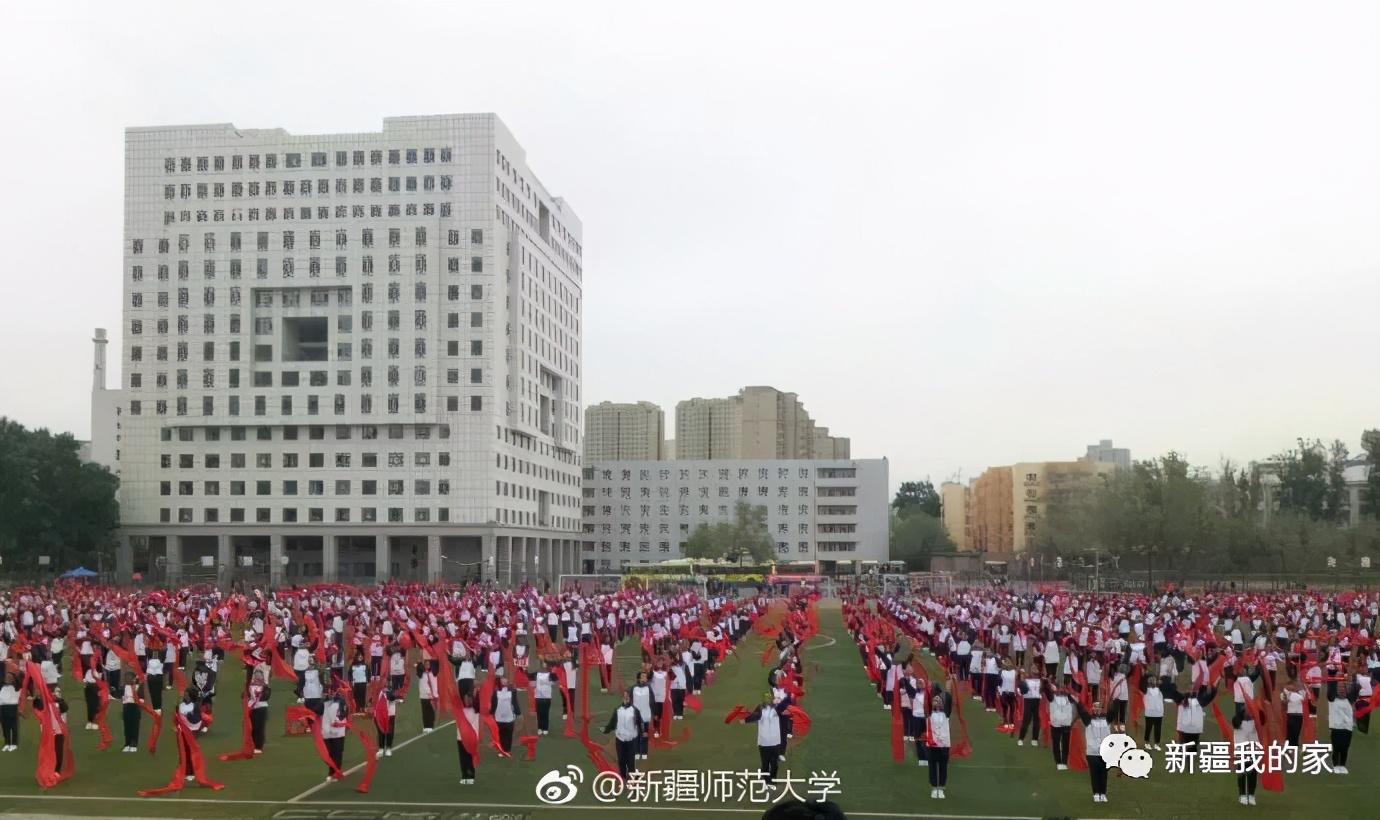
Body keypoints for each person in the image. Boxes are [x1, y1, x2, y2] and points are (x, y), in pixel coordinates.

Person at [602, 689, 644, 781]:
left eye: (628, 697)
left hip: (631, 739)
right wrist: (605, 730)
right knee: (621, 759)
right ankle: (623, 777)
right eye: (625, 696)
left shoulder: (634, 710)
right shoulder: (618, 710)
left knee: (630, 760)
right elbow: (612, 723)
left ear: (630, 699)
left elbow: (639, 724)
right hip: (620, 739)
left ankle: (632, 777)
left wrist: (640, 739)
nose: (626, 698)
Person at [1075, 699, 1112, 803]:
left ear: (1101, 709)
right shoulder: (1089, 720)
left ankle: (1103, 793)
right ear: (1092, 709)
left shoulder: (1106, 719)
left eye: (1099, 707)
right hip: (1092, 752)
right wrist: (1078, 702)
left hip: (1105, 752)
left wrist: (1112, 700)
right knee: (1094, 774)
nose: (1097, 709)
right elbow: (1082, 712)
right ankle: (1096, 793)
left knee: (1104, 774)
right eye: (1095, 707)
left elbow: (1113, 711)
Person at [1167, 680, 1218, 751]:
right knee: (1191, 749)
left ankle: (1180, 750)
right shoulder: (1198, 701)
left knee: (1187, 748)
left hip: (1185, 729)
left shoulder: (1181, 699)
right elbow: (1211, 695)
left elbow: (1171, 691)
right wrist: (1215, 686)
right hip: (1194, 730)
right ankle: (1183, 751)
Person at [743, 694, 783, 784]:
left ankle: (768, 780)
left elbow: (753, 716)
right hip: (773, 742)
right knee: (773, 764)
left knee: (766, 764)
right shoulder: (776, 709)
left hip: (765, 743)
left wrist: (744, 720)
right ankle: (771, 780)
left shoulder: (761, 709)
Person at [1326, 670, 1359, 774]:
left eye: (1342, 687)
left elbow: (1356, 687)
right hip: (1336, 728)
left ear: (1346, 689)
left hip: (1347, 728)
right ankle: (1336, 765)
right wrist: (1333, 676)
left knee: (1345, 748)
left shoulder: (1349, 699)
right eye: (1339, 687)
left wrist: (1352, 675)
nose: (1341, 689)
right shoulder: (1332, 699)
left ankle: (1343, 765)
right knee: (1336, 748)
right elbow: (1330, 687)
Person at [927, 680, 953, 799]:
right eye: (934, 701)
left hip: (944, 745)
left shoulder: (946, 714)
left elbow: (948, 697)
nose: (936, 703)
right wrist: (931, 688)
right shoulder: (929, 714)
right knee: (932, 768)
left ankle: (941, 788)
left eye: (939, 701)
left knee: (943, 768)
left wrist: (944, 687)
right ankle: (934, 788)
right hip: (932, 745)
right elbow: (927, 699)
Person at [1044, 676, 1075, 770]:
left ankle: (1064, 762)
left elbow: (1074, 697)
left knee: (1066, 744)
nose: (1061, 690)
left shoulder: (1069, 698)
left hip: (1066, 724)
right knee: (1056, 744)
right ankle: (1058, 762)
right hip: (1056, 724)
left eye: (1062, 688)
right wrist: (1045, 681)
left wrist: (1068, 691)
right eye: (1059, 688)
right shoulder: (1052, 698)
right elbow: (1047, 691)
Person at [1233, 711, 1259, 805]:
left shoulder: (1253, 722)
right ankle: (1243, 795)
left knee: (1252, 775)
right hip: (1242, 752)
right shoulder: (1239, 723)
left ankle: (1251, 795)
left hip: (1253, 751)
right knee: (1242, 775)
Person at [321, 689, 348, 781]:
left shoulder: (341, 702)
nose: (331, 693)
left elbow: (343, 715)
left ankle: (336, 771)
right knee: (330, 753)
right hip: (327, 731)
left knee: (337, 752)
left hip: (338, 732)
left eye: (332, 692)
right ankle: (331, 771)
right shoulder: (323, 703)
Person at [177, 688, 203, 781]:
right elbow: (176, 717)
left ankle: (191, 772)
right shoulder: (180, 705)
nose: (185, 696)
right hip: (181, 732)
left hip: (191, 733)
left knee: (190, 752)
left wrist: (187, 716)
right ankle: (184, 771)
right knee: (182, 752)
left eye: (187, 695)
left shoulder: (195, 707)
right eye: (185, 694)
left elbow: (197, 721)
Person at [491, 676, 520, 755]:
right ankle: (502, 750)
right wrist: (490, 712)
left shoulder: (513, 692)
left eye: (505, 681)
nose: (504, 683)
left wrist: (518, 712)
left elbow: (515, 703)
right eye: (502, 681)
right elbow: (494, 704)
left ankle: (507, 750)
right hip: (499, 717)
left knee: (508, 734)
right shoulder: (495, 692)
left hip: (509, 717)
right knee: (500, 734)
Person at [1140, 671, 1166, 750]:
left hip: (1158, 713)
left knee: (1158, 729)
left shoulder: (1159, 692)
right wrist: (1146, 674)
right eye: (1152, 681)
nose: (1153, 683)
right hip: (1149, 713)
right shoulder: (1146, 692)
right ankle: (1147, 742)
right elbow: (1141, 684)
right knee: (1148, 728)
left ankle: (1156, 743)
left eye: (1154, 681)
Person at [457, 692, 480, 784]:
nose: (467, 700)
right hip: (460, 737)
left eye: (469, 698)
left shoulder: (476, 711)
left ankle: (471, 776)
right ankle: (464, 775)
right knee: (462, 757)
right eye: (465, 698)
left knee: (470, 756)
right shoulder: (460, 710)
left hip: (471, 738)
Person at [630, 671, 653, 760]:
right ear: (638, 678)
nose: (644, 678)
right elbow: (630, 700)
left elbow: (652, 701)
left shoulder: (648, 688)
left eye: (645, 677)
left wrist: (654, 713)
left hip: (646, 714)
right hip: (635, 716)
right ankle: (636, 752)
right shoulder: (633, 688)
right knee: (636, 734)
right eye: (642, 676)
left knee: (644, 734)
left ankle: (644, 752)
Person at [248, 668, 271, 754]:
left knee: (259, 727)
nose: (257, 678)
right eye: (256, 676)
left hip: (262, 708)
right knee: (254, 728)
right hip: (253, 709)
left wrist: (263, 690)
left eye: (259, 676)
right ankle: (254, 744)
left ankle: (259, 746)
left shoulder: (265, 686)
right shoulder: (250, 686)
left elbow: (266, 697)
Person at [1017, 669, 1042, 747]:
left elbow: (1043, 690)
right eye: (1033, 673)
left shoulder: (1040, 681)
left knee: (1036, 720)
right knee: (1026, 719)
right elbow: (1020, 691)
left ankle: (1035, 739)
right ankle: (1021, 738)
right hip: (1028, 700)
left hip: (1037, 700)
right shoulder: (1025, 681)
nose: (1034, 675)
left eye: (1036, 673)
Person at [1280, 677, 1307, 746]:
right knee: (1291, 731)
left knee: (1297, 731)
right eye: (1291, 685)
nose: (1292, 686)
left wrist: (1301, 682)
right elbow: (1283, 702)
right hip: (1291, 715)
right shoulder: (1285, 693)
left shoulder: (1300, 693)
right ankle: (1289, 746)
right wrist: (1287, 700)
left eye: (1293, 685)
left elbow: (1304, 689)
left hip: (1299, 715)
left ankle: (1295, 745)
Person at [120, 670, 142, 752]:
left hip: (135, 707)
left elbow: (142, 697)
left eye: (128, 678)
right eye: (125, 678)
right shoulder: (124, 687)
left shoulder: (138, 686)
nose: (126, 680)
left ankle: (134, 744)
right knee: (127, 726)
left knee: (134, 726)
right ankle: (127, 743)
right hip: (126, 707)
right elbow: (119, 695)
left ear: (133, 679)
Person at [374, 687, 399, 758]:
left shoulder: (390, 691)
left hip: (390, 714)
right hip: (381, 714)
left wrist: (388, 693)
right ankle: (381, 748)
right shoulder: (379, 692)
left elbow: (392, 697)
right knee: (381, 731)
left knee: (389, 731)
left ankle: (388, 747)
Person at [534, 662, 556, 735]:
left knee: (545, 713)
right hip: (538, 696)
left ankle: (545, 728)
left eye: (545, 666)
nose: (543, 667)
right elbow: (532, 682)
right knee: (539, 713)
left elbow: (555, 679)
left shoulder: (550, 674)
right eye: (542, 666)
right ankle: (540, 728)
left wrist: (552, 671)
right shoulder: (536, 674)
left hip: (547, 697)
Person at [0, 672, 20, 752]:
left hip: (12, 707)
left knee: (13, 726)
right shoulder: (3, 687)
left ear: (12, 679)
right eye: (6, 677)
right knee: (5, 726)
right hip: (3, 708)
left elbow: (8, 698)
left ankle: (14, 743)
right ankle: (7, 743)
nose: (7, 678)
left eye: (9, 677)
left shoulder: (16, 688)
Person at [417, 661, 438, 733]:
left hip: (431, 696)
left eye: (428, 664)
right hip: (424, 696)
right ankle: (426, 726)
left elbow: (434, 685)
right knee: (425, 712)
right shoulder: (422, 674)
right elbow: (418, 665)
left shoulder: (432, 674)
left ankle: (430, 725)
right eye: (425, 664)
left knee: (431, 712)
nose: (427, 665)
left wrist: (435, 694)